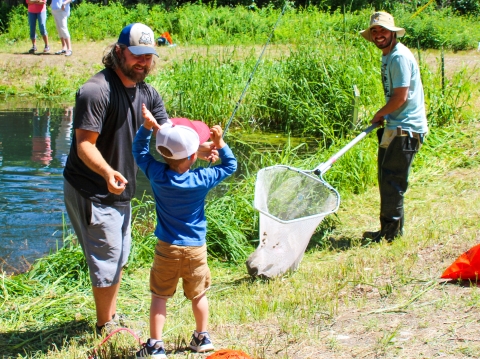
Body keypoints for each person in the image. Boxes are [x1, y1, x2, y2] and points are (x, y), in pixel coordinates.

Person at [63, 23, 217, 335]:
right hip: (92, 187)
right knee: (107, 259)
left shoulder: (148, 93)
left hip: (121, 188)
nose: (144, 63)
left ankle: (111, 314)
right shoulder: (97, 91)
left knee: (119, 254)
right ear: (118, 52)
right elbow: (84, 145)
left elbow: (168, 137)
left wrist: (197, 150)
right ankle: (106, 325)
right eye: (137, 56)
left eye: (149, 57)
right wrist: (107, 172)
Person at [132, 106, 237, 358]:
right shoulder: (202, 178)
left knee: (159, 296)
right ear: (193, 156)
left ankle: (156, 346)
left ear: (163, 154)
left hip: (167, 248)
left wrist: (147, 127)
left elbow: (139, 152)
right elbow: (230, 166)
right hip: (196, 249)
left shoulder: (157, 174)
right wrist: (220, 144)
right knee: (198, 294)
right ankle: (202, 337)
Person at [360, 12, 428, 242]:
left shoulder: (398, 57)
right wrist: (385, 116)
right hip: (396, 125)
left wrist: (379, 113)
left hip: (406, 128)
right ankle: (389, 230)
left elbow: (400, 96)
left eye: (383, 30)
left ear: (393, 33)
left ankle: (390, 235)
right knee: (386, 178)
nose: (379, 35)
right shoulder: (389, 56)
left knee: (392, 180)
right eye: (375, 31)